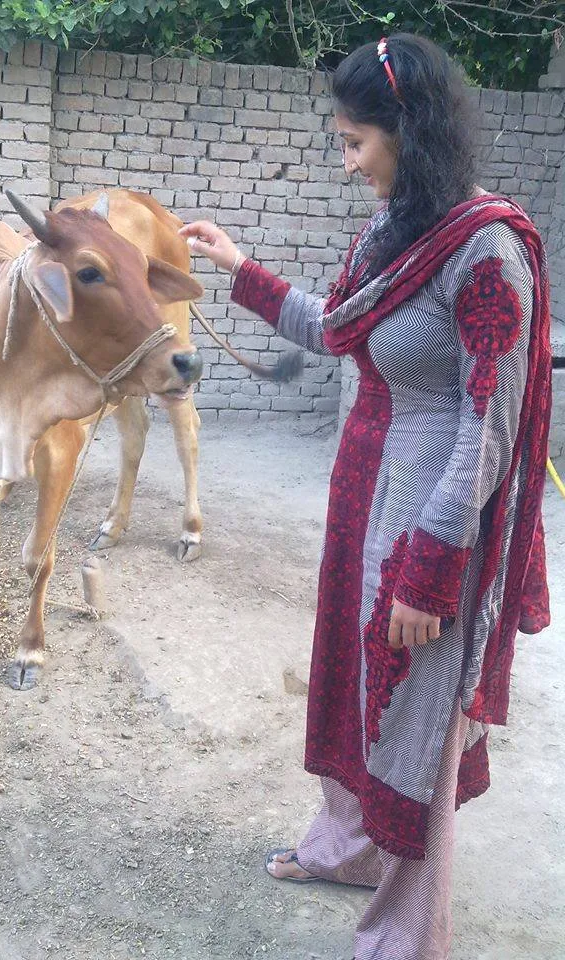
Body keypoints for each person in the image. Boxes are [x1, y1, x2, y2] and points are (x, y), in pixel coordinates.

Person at [179, 32, 552, 960]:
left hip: (431, 528)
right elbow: (338, 326)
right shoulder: (396, 234)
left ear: (409, 133)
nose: (346, 163)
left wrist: (431, 571)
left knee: (417, 732)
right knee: (354, 698)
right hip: (365, 504)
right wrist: (240, 268)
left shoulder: (486, 253)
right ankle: (345, 850)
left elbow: (489, 429)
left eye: (355, 143)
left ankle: (408, 935)